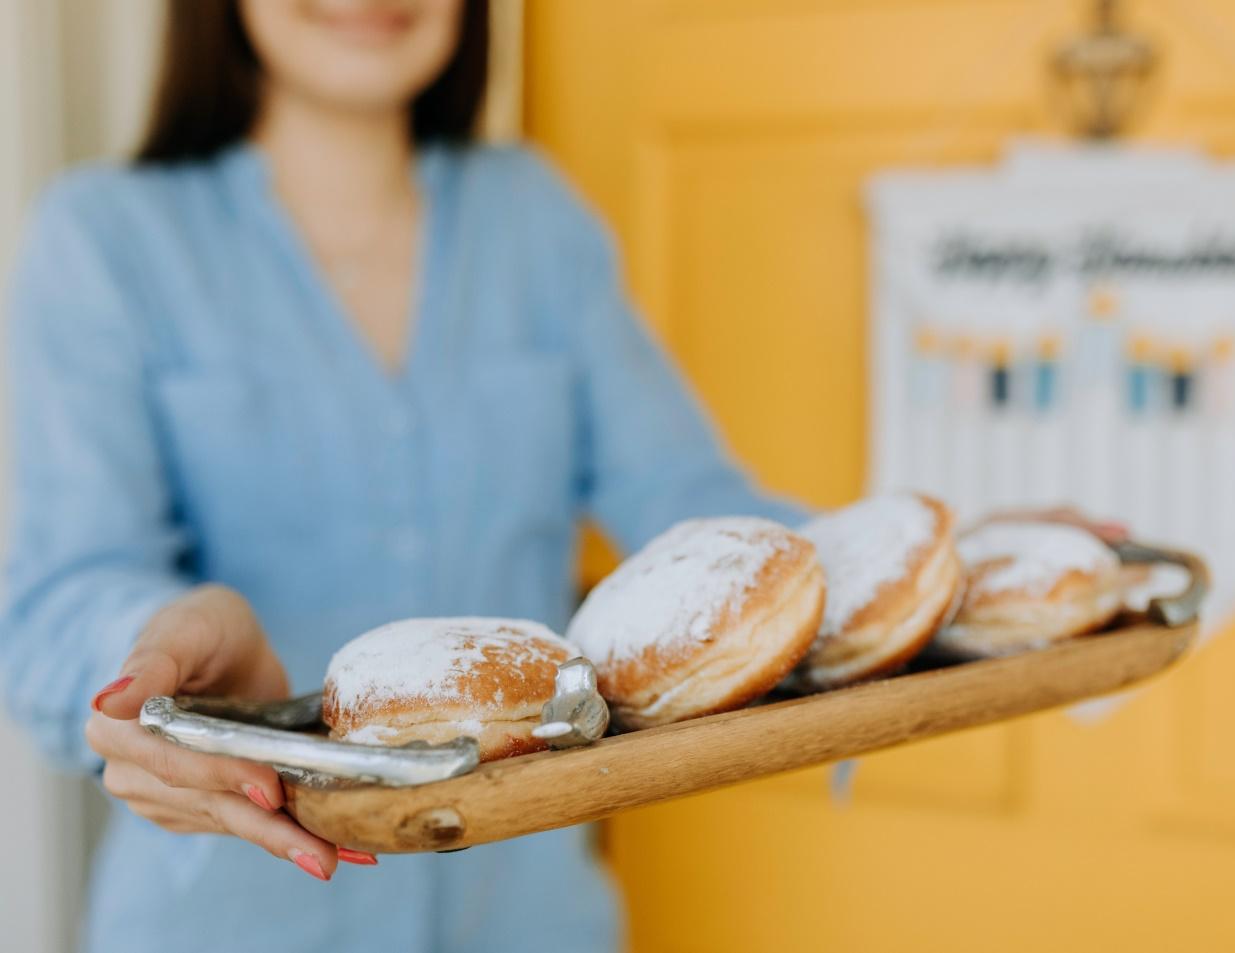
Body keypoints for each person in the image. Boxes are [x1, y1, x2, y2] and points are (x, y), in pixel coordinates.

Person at [1, 2, 802, 951]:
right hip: (230, 917)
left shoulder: (534, 220)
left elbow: (703, 517)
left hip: (533, 914)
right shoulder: (105, 239)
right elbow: (56, 597)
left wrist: (956, 549)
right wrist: (154, 657)